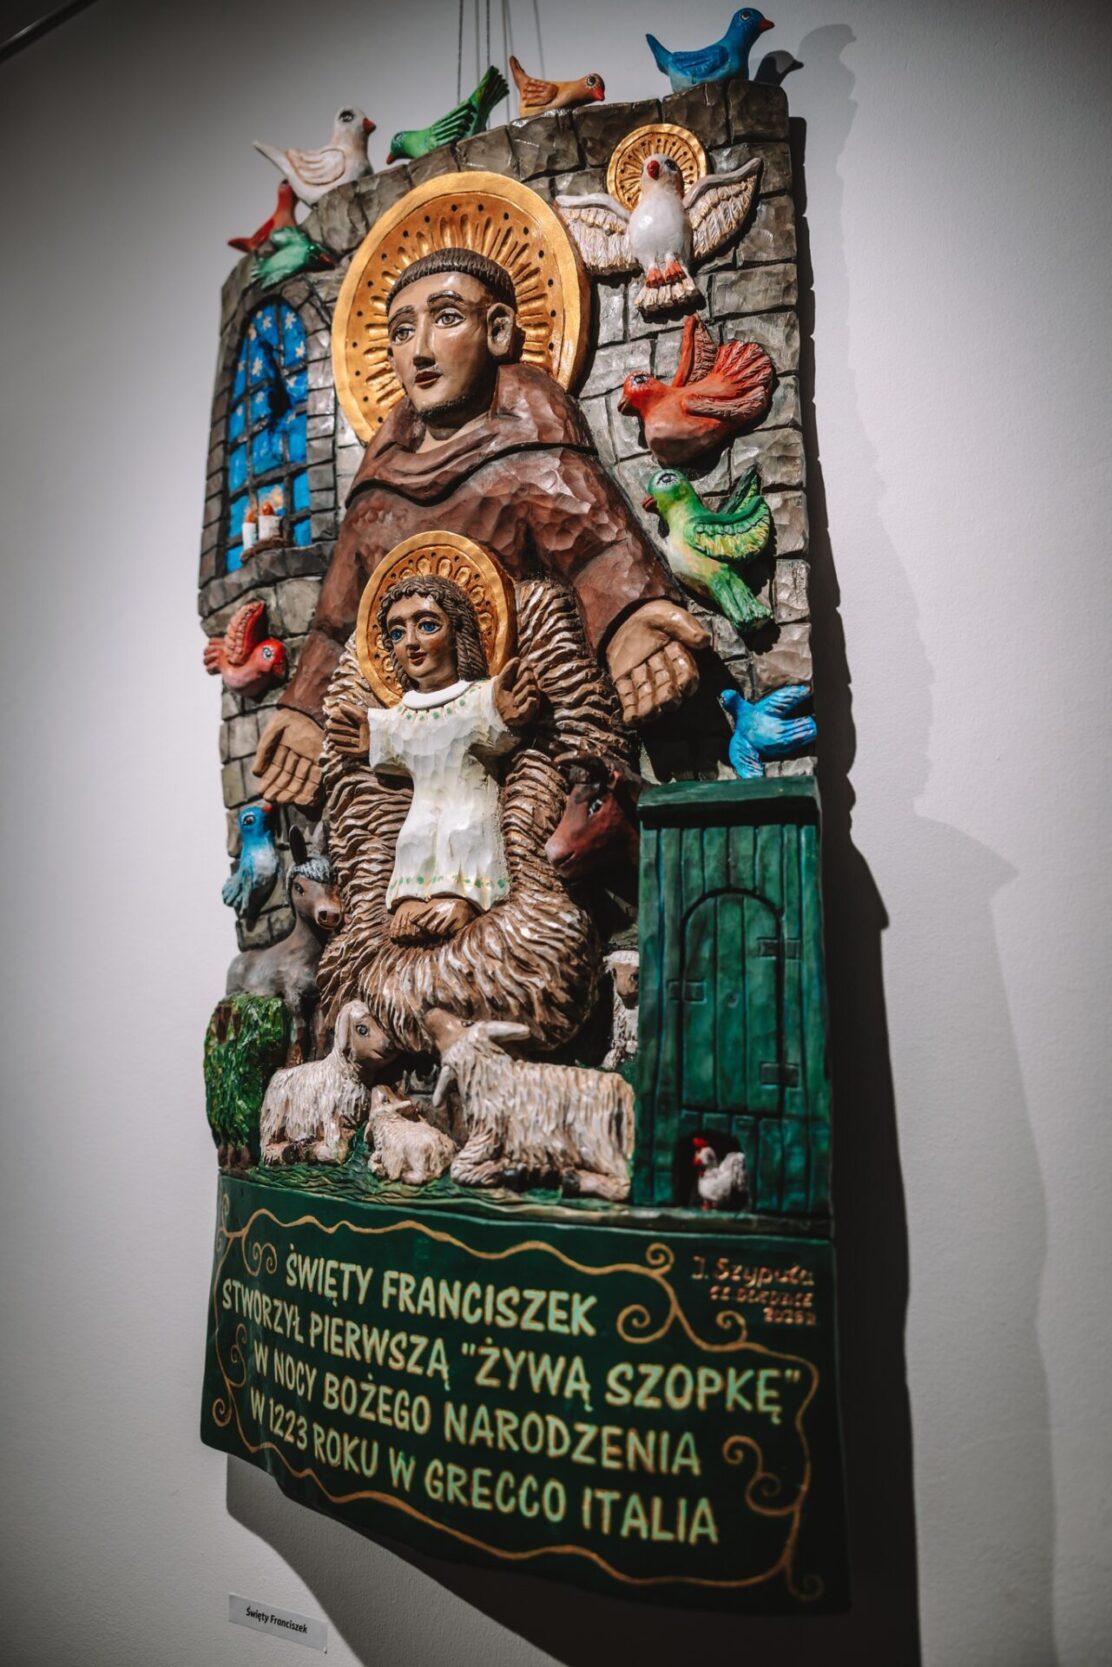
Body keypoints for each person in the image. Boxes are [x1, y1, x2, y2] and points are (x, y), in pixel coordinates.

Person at [253, 246, 709, 806]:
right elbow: (335, 623)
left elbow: (597, 550)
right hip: (405, 753)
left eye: (446, 318)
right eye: (402, 332)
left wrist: (627, 621)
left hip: (526, 730)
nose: (420, 350)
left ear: (497, 331)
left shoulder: (532, 446)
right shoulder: (378, 490)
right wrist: (305, 710)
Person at [330, 574, 540, 945]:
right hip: (422, 808)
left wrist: (510, 710)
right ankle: (411, 899)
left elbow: (502, 723)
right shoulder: (402, 716)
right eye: (397, 633)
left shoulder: (477, 699)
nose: (411, 643)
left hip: (470, 805)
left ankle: (465, 898)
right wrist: (366, 735)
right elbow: (382, 734)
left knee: (463, 829)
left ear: (458, 632)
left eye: (427, 626)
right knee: (414, 837)